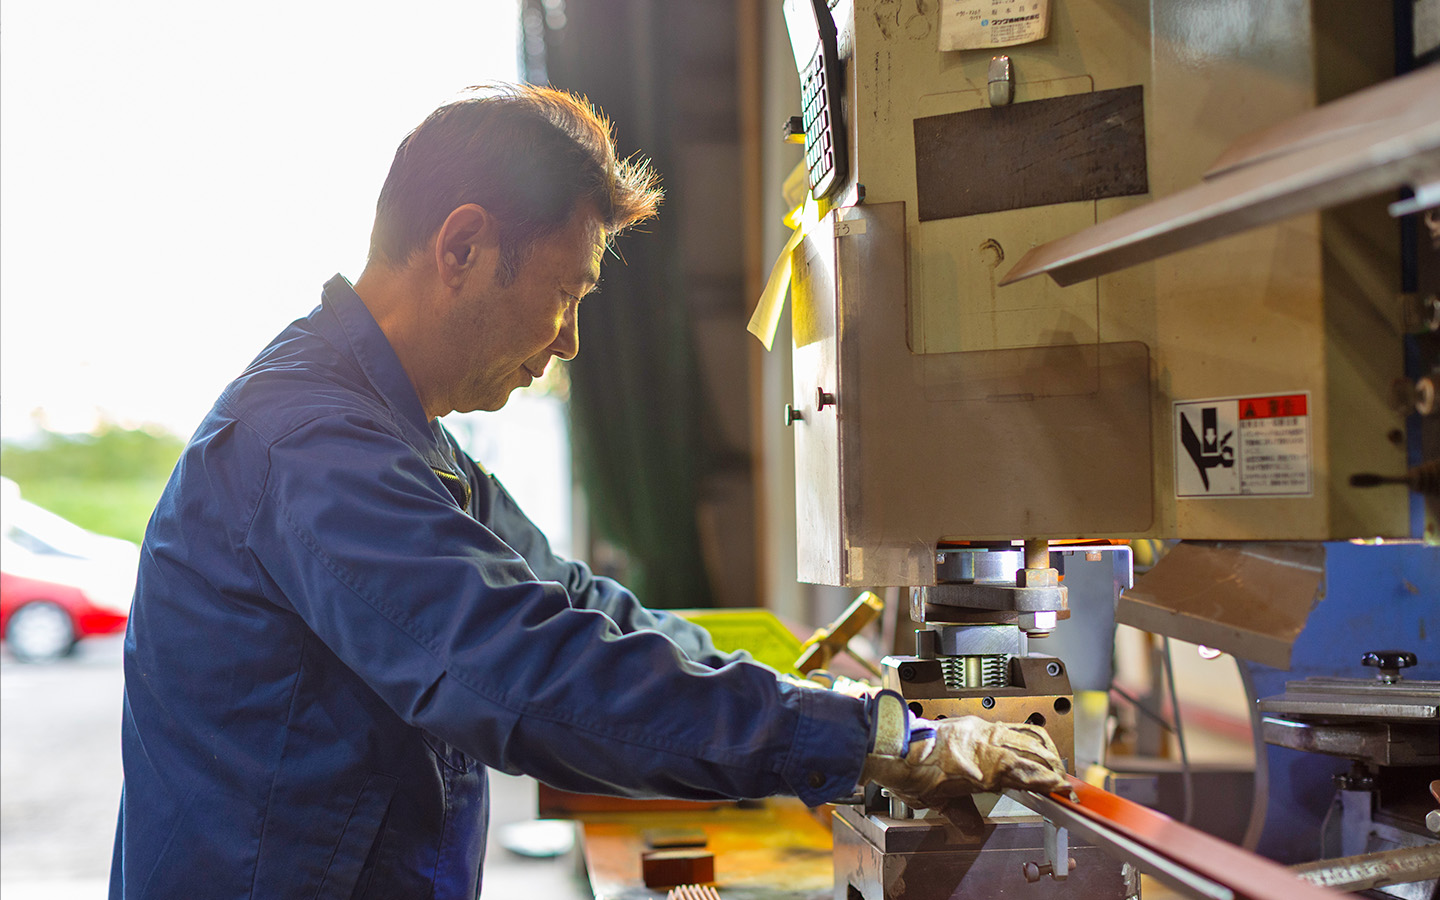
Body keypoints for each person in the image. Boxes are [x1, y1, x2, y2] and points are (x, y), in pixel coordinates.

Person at [109, 83, 1067, 900]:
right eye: (566, 295)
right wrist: (870, 742)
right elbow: (526, 668)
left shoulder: (400, 439)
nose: (568, 341)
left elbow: (576, 605)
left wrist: (841, 715)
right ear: (461, 247)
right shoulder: (308, 446)